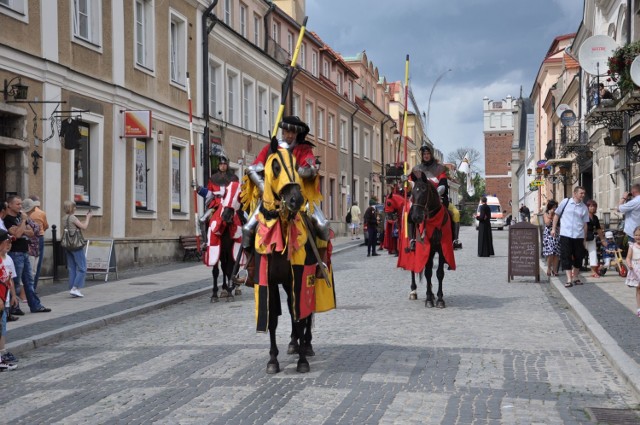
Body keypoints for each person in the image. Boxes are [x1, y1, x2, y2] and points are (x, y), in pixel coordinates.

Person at [4, 195, 50, 313]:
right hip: (15, 253)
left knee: (29, 281)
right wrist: (23, 223)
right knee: (15, 281)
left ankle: (35, 305)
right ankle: (13, 307)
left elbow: (31, 233)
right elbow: (17, 235)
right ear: (9, 205)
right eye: (18, 204)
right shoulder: (8, 219)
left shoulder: (20, 216)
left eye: (21, 204)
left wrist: (20, 228)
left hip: (24, 252)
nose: (21, 206)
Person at [552, 186, 589, 288]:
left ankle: (576, 277)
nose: (583, 195)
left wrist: (584, 239)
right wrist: (553, 229)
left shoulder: (584, 207)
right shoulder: (566, 202)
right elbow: (556, 215)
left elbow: (585, 224)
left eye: (584, 193)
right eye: (581, 193)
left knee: (579, 256)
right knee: (566, 256)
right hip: (565, 234)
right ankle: (569, 279)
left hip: (579, 235)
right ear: (575, 193)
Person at [62, 200, 92, 298]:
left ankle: (72, 288)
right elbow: (84, 227)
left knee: (72, 268)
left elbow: (75, 226)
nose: (75, 208)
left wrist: (83, 220)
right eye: (74, 207)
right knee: (82, 268)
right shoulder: (72, 217)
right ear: (71, 208)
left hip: (68, 245)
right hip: (76, 245)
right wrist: (88, 218)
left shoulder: (64, 218)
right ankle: (75, 288)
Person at [0, 229, 19, 369]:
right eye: (6, 241)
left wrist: (12, 295)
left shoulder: (4, 259)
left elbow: (8, 280)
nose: (8, 243)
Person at [28, 195, 49, 290]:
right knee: (37, 263)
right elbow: (46, 226)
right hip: (39, 237)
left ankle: (26, 287)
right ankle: (33, 287)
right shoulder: (41, 213)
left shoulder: (26, 213)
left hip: (27, 238)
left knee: (28, 263)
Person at [21, 198, 41, 294]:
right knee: (28, 273)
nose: (35, 209)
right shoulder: (23, 218)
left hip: (35, 248)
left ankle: (30, 291)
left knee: (33, 272)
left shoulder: (29, 218)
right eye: (33, 207)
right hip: (29, 248)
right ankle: (26, 293)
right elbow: (28, 232)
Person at [586, 200, 607, 278]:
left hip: (591, 237)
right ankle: (573, 272)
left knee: (593, 253)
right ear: (587, 207)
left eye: (594, 206)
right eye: (591, 206)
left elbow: (598, 229)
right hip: (582, 237)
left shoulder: (595, 217)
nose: (593, 208)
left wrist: (602, 240)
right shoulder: (584, 215)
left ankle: (593, 271)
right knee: (578, 254)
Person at [623, 226, 640, 318]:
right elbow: (628, 257)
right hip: (636, 270)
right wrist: (629, 264)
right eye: (636, 235)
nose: (638, 237)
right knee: (639, 289)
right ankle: (639, 308)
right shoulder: (632, 246)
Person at [542, 200, 561, 277]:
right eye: (553, 207)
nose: (554, 208)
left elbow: (559, 225)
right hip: (548, 234)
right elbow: (547, 223)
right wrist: (550, 215)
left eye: (555, 207)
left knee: (556, 253)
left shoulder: (558, 214)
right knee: (550, 252)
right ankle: (549, 268)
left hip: (556, 234)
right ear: (549, 207)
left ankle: (555, 269)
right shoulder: (546, 214)